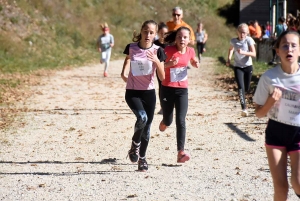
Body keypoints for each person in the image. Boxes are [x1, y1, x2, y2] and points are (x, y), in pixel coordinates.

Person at [253, 30, 300, 200]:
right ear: (277, 51)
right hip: (276, 131)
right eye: (285, 45)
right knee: (280, 188)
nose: (290, 49)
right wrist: (270, 103)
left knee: (298, 181)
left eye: (294, 45)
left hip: (299, 132)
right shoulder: (269, 77)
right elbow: (258, 113)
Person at [120, 20, 166, 172]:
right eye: (146, 31)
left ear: (155, 34)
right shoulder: (132, 47)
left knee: (146, 128)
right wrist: (123, 72)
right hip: (132, 92)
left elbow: (163, 76)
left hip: (149, 93)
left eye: (151, 32)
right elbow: (128, 58)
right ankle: (135, 145)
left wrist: (157, 61)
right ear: (141, 31)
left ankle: (142, 158)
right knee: (142, 118)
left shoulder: (158, 50)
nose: (148, 35)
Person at [158, 26, 200, 163]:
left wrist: (195, 63)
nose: (182, 39)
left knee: (181, 120)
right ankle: (165, 121)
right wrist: (169, 63)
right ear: (175, 39)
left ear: (189, 39)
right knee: (169, 120)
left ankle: (180, 152)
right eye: (179, 37)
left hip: (182, 90)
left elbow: (193, 60)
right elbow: (159, 65)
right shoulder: (168, 50)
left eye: (185, 37)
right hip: (167, 89)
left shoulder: (190, 51)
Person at [226, 23, 256, 117]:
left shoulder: (249, 40)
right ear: (237, 32)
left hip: (248, 66)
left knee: (246, 88)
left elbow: (254, 54)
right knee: (240, 87)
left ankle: (246, 101)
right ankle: (244, 108)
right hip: (238, 67)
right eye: (240, 32)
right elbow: (231, 49)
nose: (242, 34)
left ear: (247, 33)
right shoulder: (233, 41)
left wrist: (243, 52)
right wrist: (228, 59)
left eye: (244, 32)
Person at [154, 22, 169, 115]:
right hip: (159, 68)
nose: (163, 35)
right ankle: (163, 107)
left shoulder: (171, 44)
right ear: (158, 33)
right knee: (162, 87)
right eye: (162, 33)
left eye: (165, 33)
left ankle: (169, 106)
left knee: (170, 88)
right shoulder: (154, 44)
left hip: (170, 68)